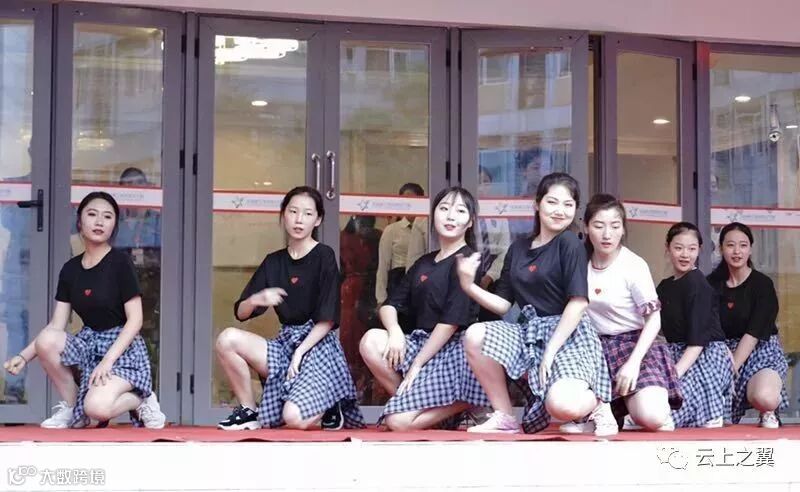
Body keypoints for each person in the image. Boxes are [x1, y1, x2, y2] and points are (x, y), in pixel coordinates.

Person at [456, 173, 614, 435]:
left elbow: (577, 304)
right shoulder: (518, 248)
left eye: (568, 204)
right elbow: (503, 305)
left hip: (569, 335)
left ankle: (600, 404)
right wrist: (468, 286)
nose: (560, 211)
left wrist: (550, 351)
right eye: (552, 202)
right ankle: (505, 415)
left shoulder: (569, 243)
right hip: (530, 332)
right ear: (537, 204)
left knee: (560, 406)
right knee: (476, 335)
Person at [3, 192, 165, 429]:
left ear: (114, 226)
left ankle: (141, 399)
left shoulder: (120, 263)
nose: (99, 222)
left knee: (98, 408)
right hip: (89, 345)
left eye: (107, 217)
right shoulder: (70, 269)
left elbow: (135, 320)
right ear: (79, 222)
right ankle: (73, 410)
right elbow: (56, 326)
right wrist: (23, 357)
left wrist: (108, 361)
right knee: (48, 340)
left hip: (123, 350)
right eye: (92, 214)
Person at [215, 186, 364, 431]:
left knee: (294, 418)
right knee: (227, 339)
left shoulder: (324, 256)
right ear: (283, 214)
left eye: (307, 213)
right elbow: (241, 313)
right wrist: (256, 300)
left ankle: (329, 400)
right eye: (293, 211)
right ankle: (248, 411)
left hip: (318, 347)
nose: (299, 219)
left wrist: (300, 352)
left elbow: (327, 320)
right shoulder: (274, 261)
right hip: (286, 344)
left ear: (318, 220)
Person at [360, 187, 490, 430]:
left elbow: (450, 323)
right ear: (433, 215)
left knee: (397, 422)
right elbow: (390, 305)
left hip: (451, 352)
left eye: (460, 211)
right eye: (444, 208)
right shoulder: (425, 262)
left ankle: (466, 402)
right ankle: (420, 409)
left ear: (471, 221)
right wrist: (395, 332)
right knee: (370, 341)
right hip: (421, 343)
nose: (450, 216)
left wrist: (417, 364)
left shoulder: (468, 260)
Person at [560, 194, 682, 434]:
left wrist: (633, 363)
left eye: (615, 226)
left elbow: (654, 319)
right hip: (593, 347)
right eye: (599, 226)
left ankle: (629, 411)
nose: (607, 234)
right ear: (586, 227)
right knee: (567, 407)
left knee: (652, 417)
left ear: (623, 229)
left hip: (635, 344)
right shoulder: (578, 262)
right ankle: (604, 413)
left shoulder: (633, 265)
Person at [707, 222, 788, 428]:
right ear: (720, 248)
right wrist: (723, 363)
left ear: (750, 249)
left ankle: (770, 411)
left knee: (765, 397)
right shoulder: (710, 285)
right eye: (730, 245)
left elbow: (754, 333)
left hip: (760, 351)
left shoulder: (762, 284)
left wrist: (730, 370)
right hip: (722, 354)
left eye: (743, 245)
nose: (737, 251)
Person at [657, 222, 733, 428]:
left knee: (667, 414)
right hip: (677, 353)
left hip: (704, 356)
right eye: (678, 248)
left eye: (692, 249)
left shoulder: (697, 284)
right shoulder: (664, 287)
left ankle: (711, 408)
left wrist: (672, 376)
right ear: (667, 248)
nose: (685, 255)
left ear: (699, 250)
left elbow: (698, 342)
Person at [375, 183, 425, 305]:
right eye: (405, 200)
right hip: (398, 282)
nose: (409, 205)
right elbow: (383, 265)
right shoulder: (392, 230)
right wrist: (381, 298)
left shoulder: (426, 228)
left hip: (422, 281)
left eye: (413, 201)